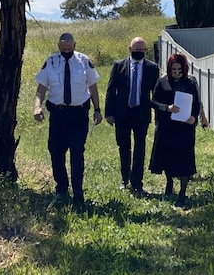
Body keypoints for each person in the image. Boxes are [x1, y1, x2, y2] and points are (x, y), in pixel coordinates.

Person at [34, 32, 102, 206]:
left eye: (69, 48)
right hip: (58, 115)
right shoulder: (50, 62)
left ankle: (78, 192)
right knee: (56, 151)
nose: (66, 51)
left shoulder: (84, 61)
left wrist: (97, 109)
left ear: (74, 45)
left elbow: (92, 87)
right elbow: (41, 88)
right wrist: (37, 106)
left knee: (77, 152)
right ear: (59, 47)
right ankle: (62, 187)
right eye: (63, 49)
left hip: (78, 115)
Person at [149, 53, 208, 206]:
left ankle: (182, 192)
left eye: (179, 69)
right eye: (173, 69)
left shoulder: (190, 83)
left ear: (184, 69)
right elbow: (153, 101)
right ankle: (169, 182)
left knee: (185, 159)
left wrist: (195, 117)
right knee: (167, 157)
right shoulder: (162, 82)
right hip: (167, 126)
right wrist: (166, 108)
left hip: (185, 128)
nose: (176, 72)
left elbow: (196, 103)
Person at [104, 36, 159, 195]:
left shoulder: (152, 68)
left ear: (145, 51)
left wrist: (158, 113)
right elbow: (110, 90)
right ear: (130, 49)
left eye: (142, 50)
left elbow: (155, 93)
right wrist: (109, 113)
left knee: (140, 148)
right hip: (122, 113)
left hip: (141, 113)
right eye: (136, 50)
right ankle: (125, 178)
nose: (139, 53)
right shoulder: (119, 66)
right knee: (124, 147)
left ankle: (137, 181)